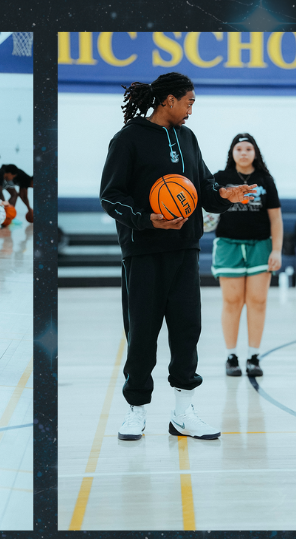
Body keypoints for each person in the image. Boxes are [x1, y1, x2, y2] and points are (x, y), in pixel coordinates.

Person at [98, 72, 254, 442]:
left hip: (185, 250)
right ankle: (136, 412)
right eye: (189, 102)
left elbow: (203, 188)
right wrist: (146, 220)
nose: (190, 110)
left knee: (187, 332)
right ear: (168, 100)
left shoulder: (187, 138)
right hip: (144, 251)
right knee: (142, 336)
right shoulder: (128, 139)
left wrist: (226, 196)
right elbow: (110, 195)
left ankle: (183, 415)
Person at [211, 133, 282, 377]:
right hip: (228, 245)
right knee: (231, 302)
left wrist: (277, 250)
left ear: (255, 152)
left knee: (258, 302)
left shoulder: (265, 179)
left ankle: (253, 356)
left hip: (260, 246)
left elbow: (275, 217)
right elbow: (207, 209)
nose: (243, 152)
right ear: (232, 152)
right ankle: (231, 356)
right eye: (239, 148)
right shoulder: (220, 179)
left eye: (248, 148)